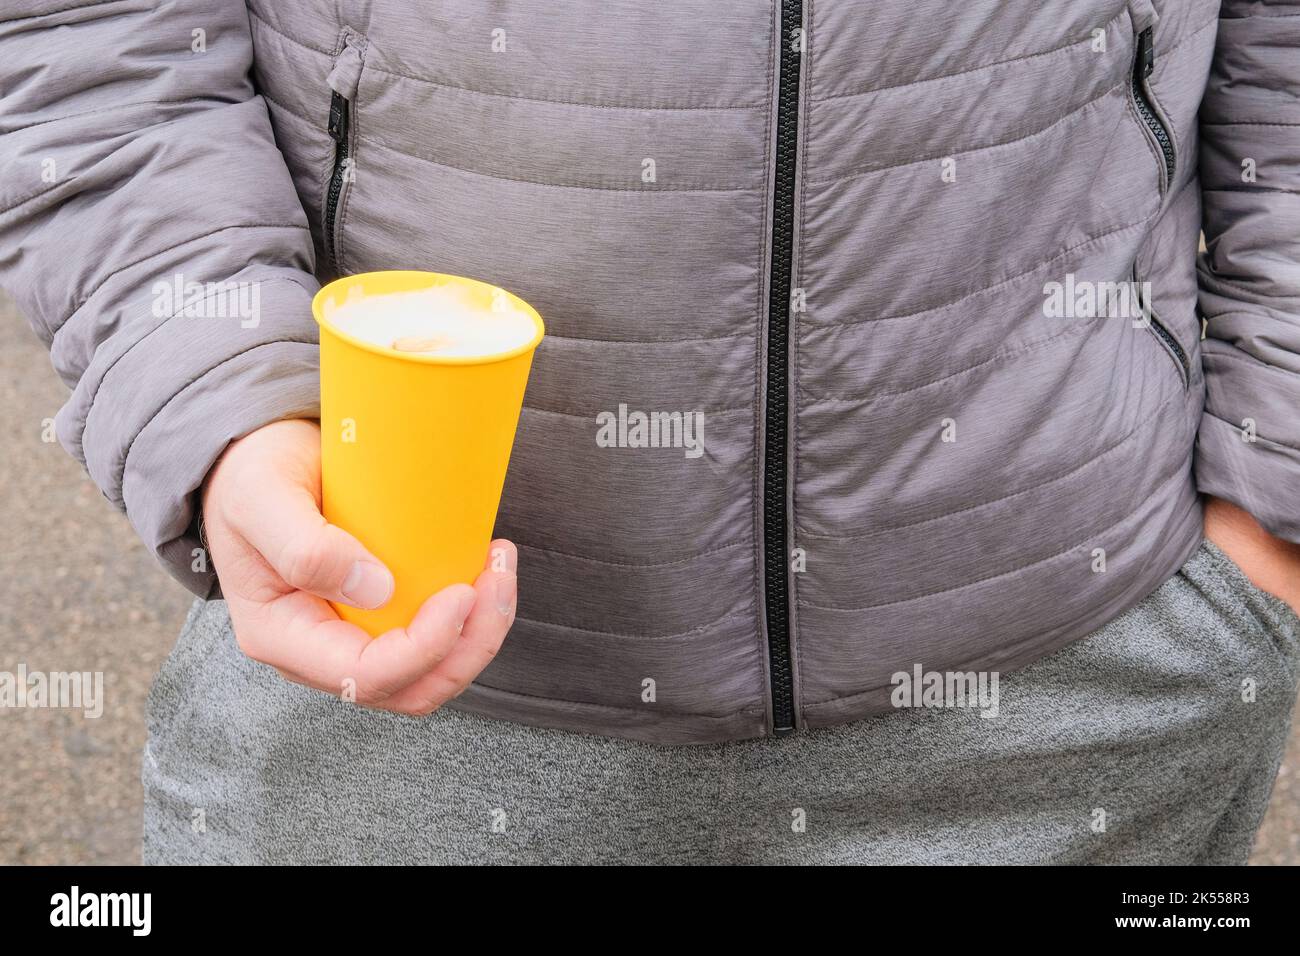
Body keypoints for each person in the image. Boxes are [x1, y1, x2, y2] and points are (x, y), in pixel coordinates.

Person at [1, 0, 1297, 865]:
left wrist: (1270, 502)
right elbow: (94, 34)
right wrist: (223, 395)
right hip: (381, 662)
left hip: (1086, 687)